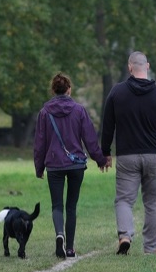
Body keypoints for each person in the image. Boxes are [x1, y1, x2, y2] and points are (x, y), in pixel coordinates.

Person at [100, 51, 156, 256]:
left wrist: (105, 153)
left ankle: (125, 235)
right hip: (153, 156)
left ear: (129, 67)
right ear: (148, 66)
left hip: (127, 156)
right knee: (152, 203)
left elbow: (107, 126)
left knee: (124, 200)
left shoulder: (117, 93)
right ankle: (151, 248)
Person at [34, 72, 108, 259]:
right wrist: (100, 159)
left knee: (57, 205)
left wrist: (39, 167)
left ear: (53, 90)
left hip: (54, 165)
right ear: (69, 89)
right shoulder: (79, 110)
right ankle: (70, 248)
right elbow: (90, 139)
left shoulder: (45, 113)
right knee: (71, 207)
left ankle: (60, 234)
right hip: (76, 165)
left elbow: (40, 143)